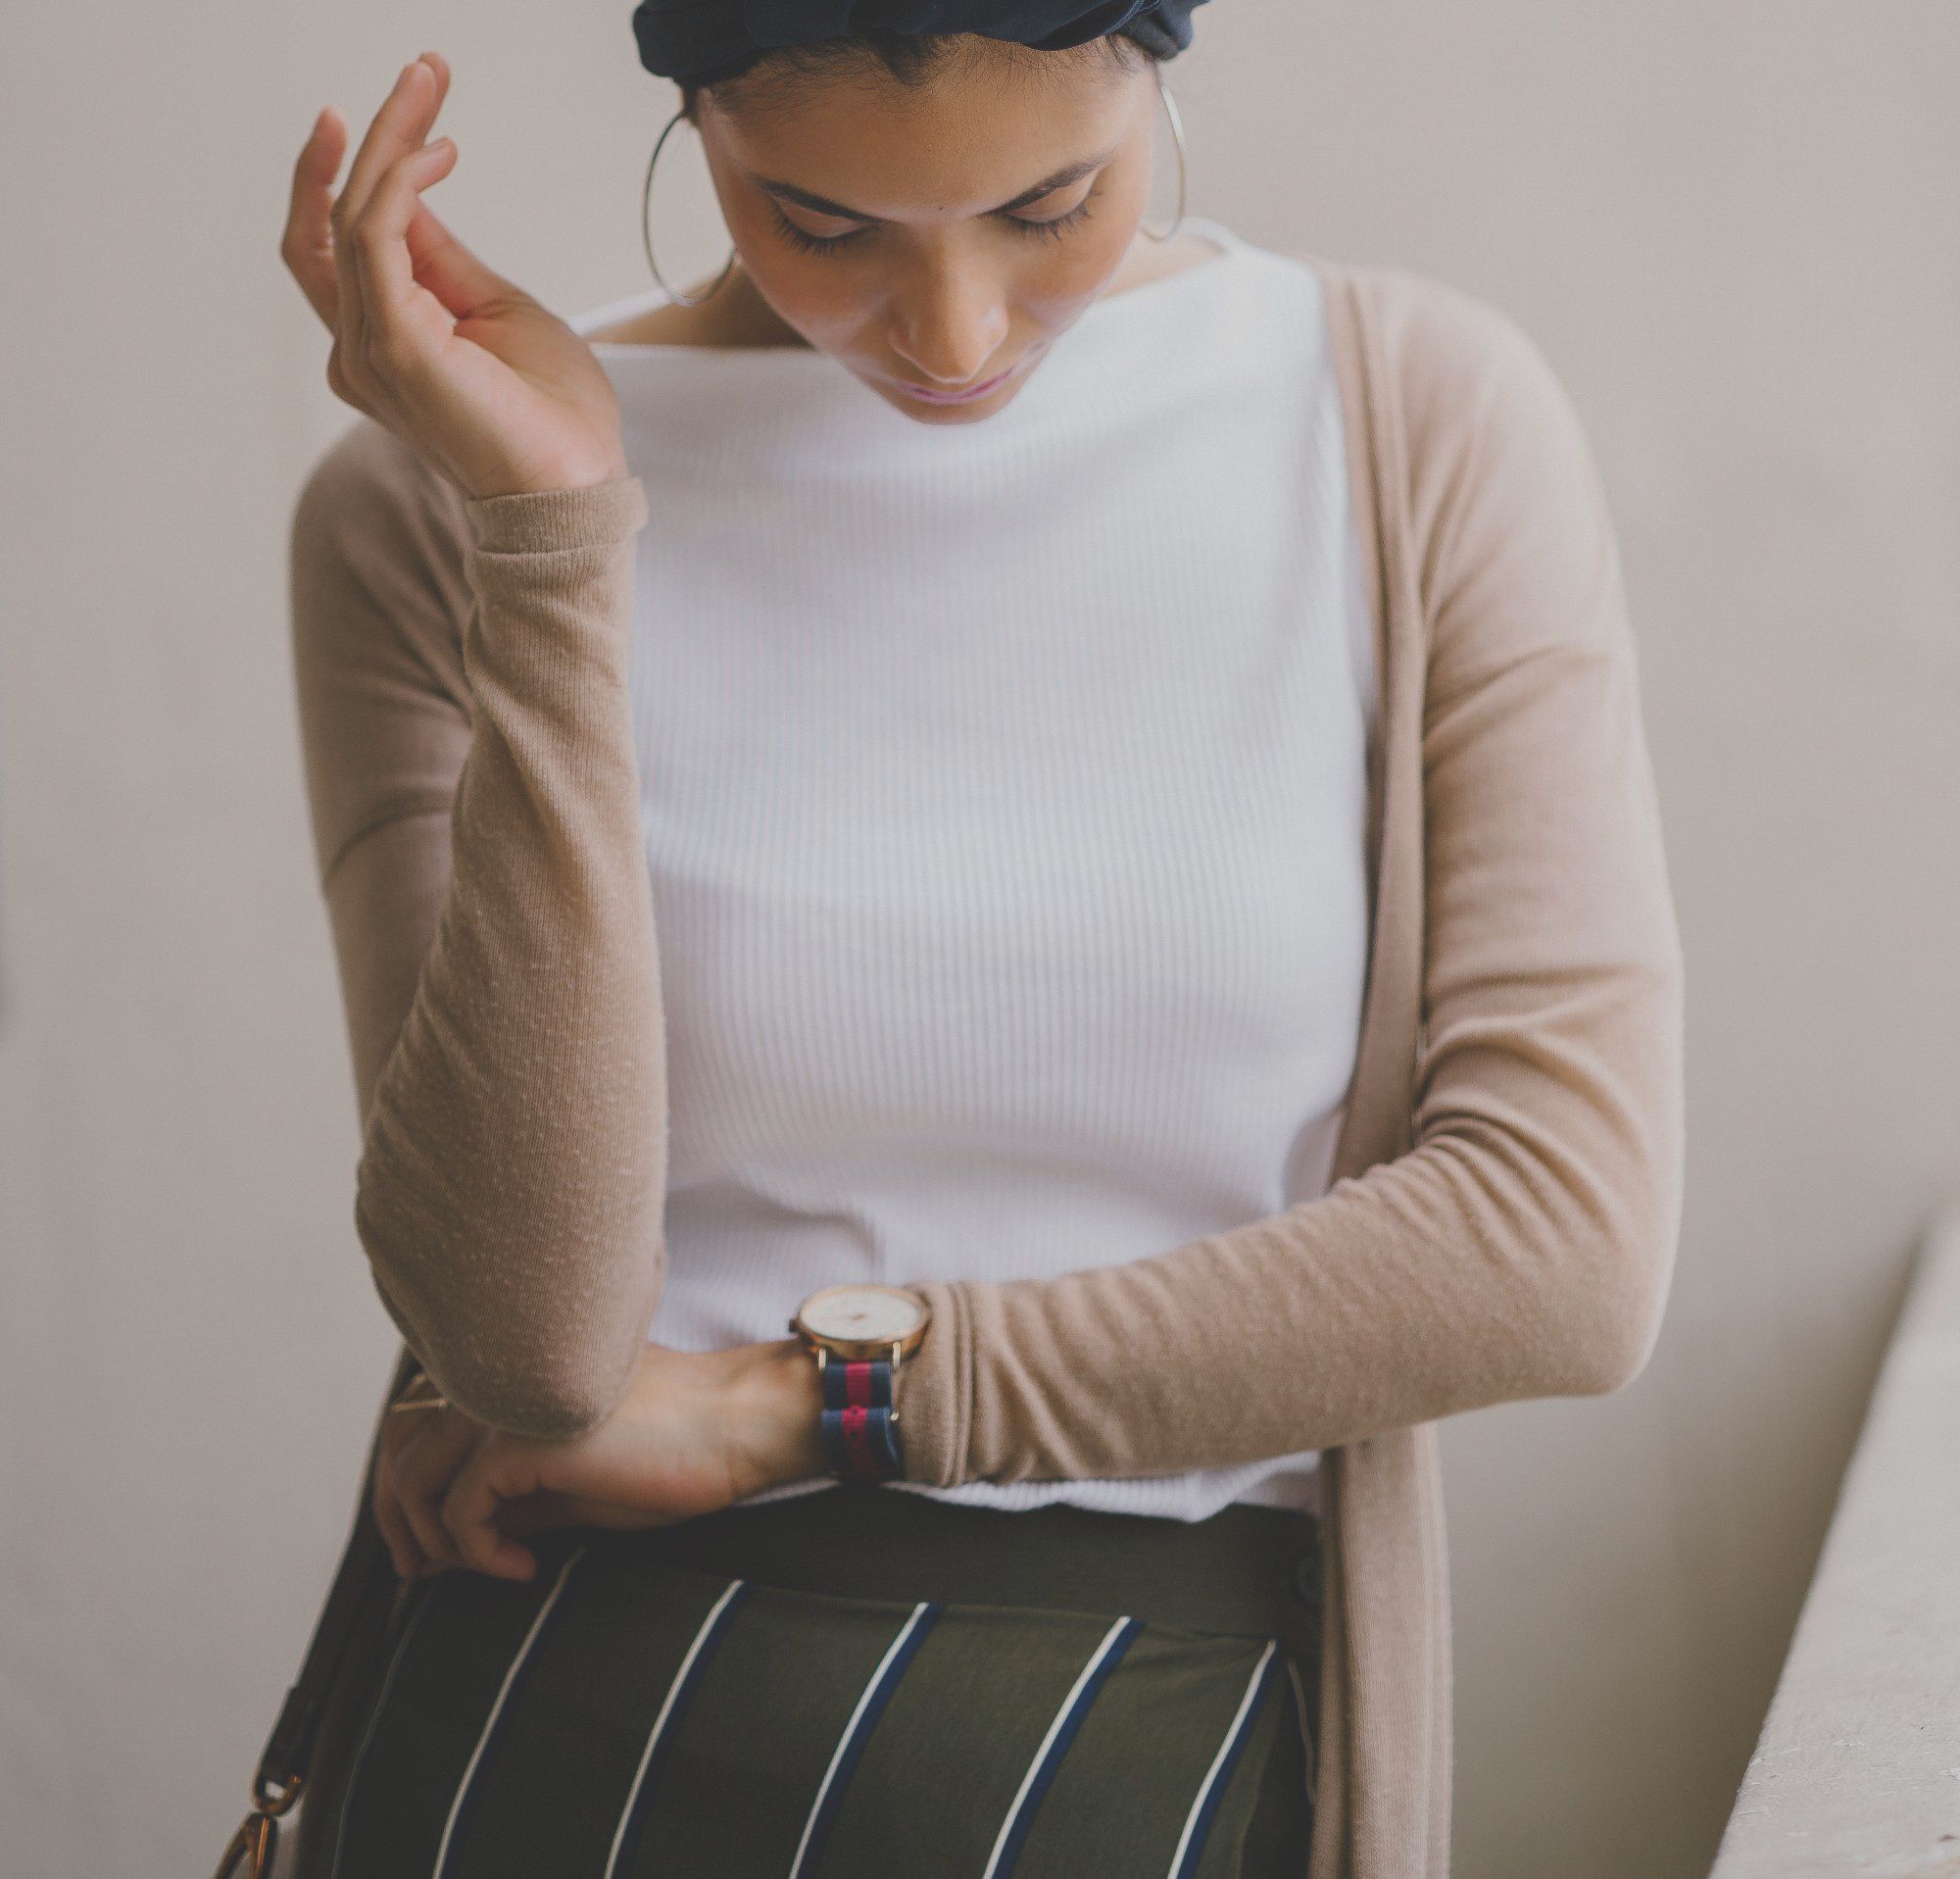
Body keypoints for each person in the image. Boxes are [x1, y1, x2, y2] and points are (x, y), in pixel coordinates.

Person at [276, 4, 1685, 1875]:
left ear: (1154, 81)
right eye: (825, 224)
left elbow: (1559, 1242)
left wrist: (820, 1401)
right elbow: (528, 1345)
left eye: (1050, 203)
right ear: (691, 122)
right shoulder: (431, 504)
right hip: (559, 1714)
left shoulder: (1411, 419)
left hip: (1146, 1718)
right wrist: (550, 540)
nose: (952, 338)